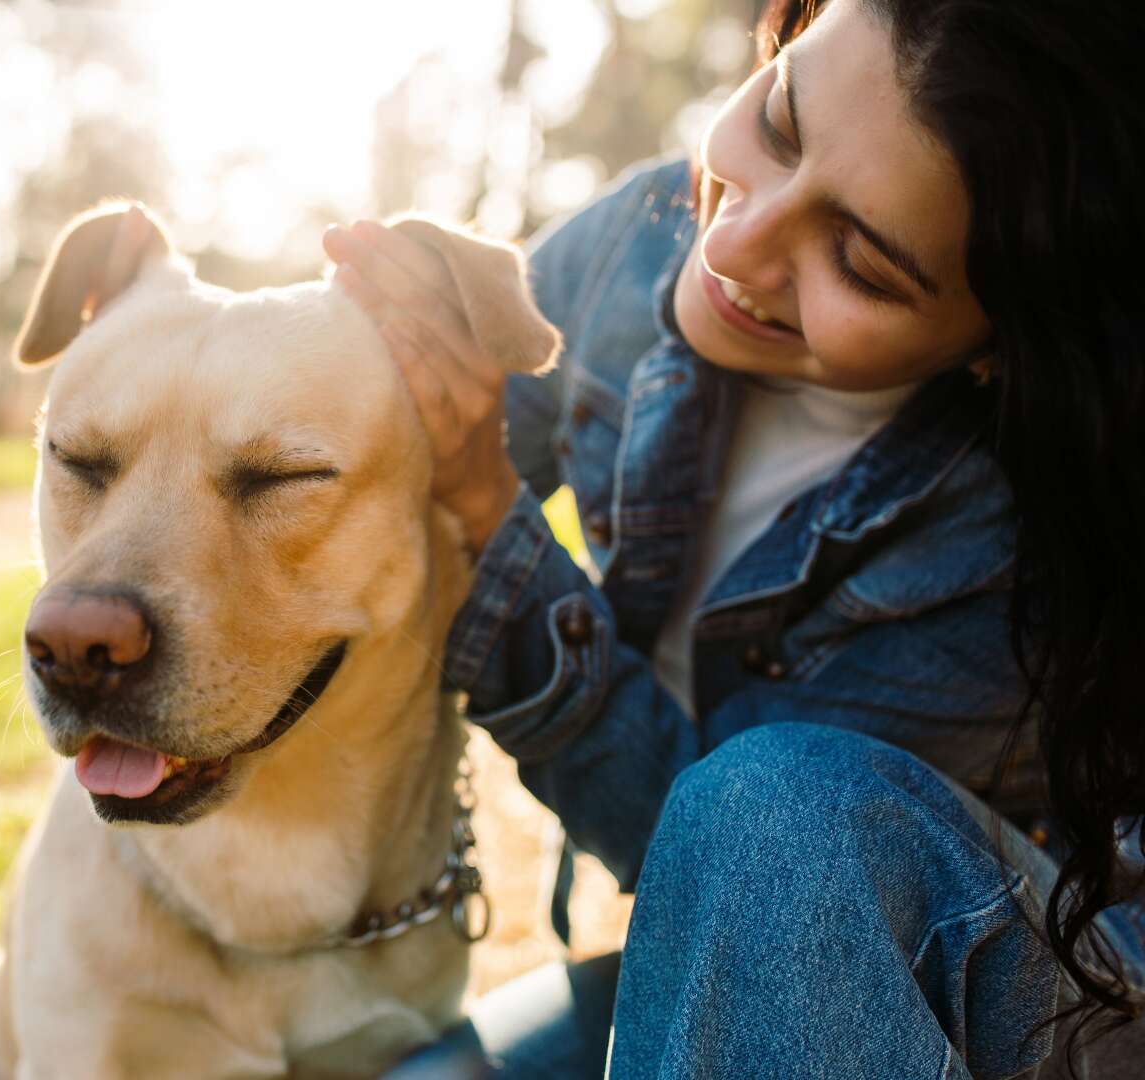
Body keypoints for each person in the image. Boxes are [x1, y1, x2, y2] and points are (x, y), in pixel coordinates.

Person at [321, 0, 1145, 1076]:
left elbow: (727, 864)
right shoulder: (629, 244)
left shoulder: (1025, 532)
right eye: (782, 121)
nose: (736, 242)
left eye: (859, 262)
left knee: (775, 809)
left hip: (1024, 1006)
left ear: (1004, 346)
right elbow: (386, 496)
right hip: (734, 964)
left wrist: (485, 513)